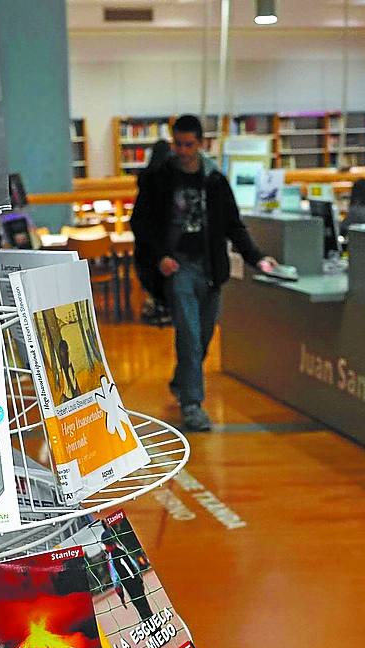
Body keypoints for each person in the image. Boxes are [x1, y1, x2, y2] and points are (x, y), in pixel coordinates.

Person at [130, 114, 278, 432]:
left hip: (210, 268)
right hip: (177, 267)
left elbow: (233, 225)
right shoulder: (159, 179)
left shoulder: (214, 181)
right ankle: (192, 405)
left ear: (201, 144)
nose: (183, 151)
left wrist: (257, 258)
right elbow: (141, 224)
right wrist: (160, 258)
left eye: (189, 144)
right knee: (189, 334)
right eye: (178, 144)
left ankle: (182, 381)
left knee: (204, 336)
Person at [136, 140, 174, 326]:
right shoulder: (170, 181)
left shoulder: (145, 180)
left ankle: (156, 309)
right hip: (166, 244)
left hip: (146, 247)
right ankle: (167, 311)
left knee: (153, 280)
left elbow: (137, 219)